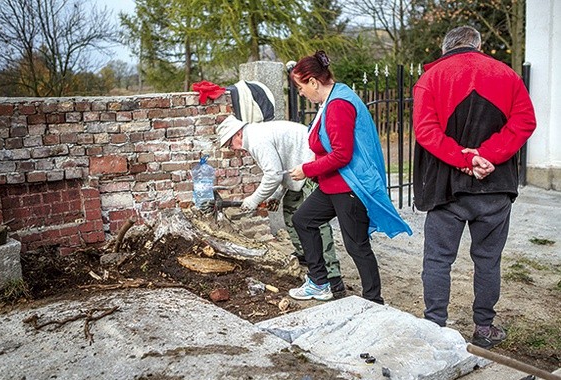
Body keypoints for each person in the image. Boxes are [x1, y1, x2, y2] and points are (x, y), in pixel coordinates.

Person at [412, 26, 536, 349]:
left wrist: (465, 160)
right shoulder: (507, 75)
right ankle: (484, 327)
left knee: (438, 259)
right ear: (478, 45)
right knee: (488, 259)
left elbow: (426, 132)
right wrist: (488, 156)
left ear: (445, 48)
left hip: (446, 189)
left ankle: (436, 326)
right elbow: (525, 122)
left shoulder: (431, 79)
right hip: (496, 189)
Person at [288, 50, 412, 303]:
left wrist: (307, 170)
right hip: (334, 184)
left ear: (313, 81)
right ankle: (320, 282)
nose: (301, 93)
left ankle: (373, 300)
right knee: (303, 220)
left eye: (301, 87)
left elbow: (342, 154)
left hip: (350, 186)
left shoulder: (338, 105)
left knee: (356, 245)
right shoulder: (332, 99)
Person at [216, 115, 347, 298]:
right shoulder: (254, 135)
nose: (230, 148)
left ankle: (333, 278)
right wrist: (277, 194)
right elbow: (281, 167)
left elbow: (273, 175)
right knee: (291, 215)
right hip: (297, 169)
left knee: (315, 223)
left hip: (312, 165)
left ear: (237, 133)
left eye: (229, 143)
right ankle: (306, 257)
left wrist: (253, 200)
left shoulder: (256, 140)